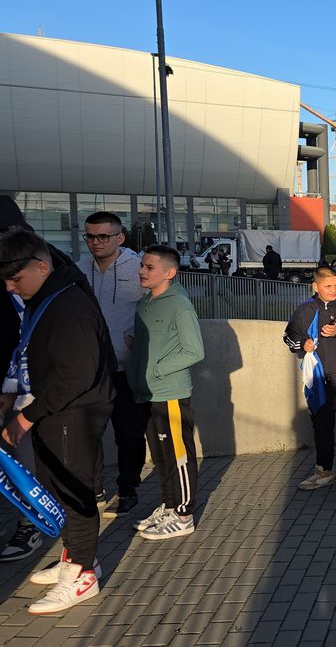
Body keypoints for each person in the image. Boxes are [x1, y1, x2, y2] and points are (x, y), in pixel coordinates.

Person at [0, 229, 114, 614]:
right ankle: (76, 558)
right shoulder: (46, 297)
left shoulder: (68, 306)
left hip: (74, 413)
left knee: (74, 493)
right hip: (54, 411)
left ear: (42, 267)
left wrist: (25, 418)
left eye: (15, 278)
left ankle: (83, 575)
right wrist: (13, 396)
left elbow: (77, 375)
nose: (10, 287)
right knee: (56, 490)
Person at [127, 245, 205, 540]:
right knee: (161, 456)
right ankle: (169, 506)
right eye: (142, 265)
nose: (141, 271)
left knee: (179, 455)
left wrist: (157, 369)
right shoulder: (145, 303)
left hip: (170, 394)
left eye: (149, 267)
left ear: (169, 273)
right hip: (147, 394)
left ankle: (184, 515)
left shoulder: (179, 305)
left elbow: (194, 350)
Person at [75, 212, 146, 518]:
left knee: (128, 433)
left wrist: (138, 340)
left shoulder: (138, 268)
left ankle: (127, 489)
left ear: (120, 237)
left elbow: (159, 302)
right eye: (90, 236)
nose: (96, 242)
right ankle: (94, 488)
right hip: (90, 368)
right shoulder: (79, 269)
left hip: (126, 369)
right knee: (86, 431)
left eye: (103, 236)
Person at [283, 267, 336, 492]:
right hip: (317, 377)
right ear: (315, 286)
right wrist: (302, 344)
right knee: (321, 425)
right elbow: (289, 337)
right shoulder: (305, 309)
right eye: (328, 286)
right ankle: (323, 471)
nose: (334, 290)